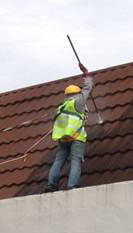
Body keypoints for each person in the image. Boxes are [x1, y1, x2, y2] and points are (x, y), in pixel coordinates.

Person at [44, 64, 94, 192]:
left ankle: (51, 185)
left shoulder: (61, 108)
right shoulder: (79, 102)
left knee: (58, 161)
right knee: (76, 161)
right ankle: (72, 186)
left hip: (62, 139)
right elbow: (88, 88)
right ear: (77, 93)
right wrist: (86, 74)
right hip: (77, 138)